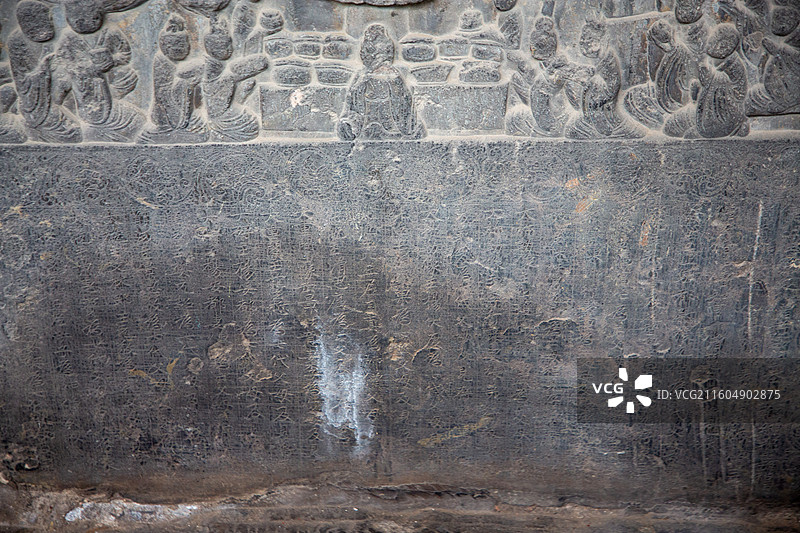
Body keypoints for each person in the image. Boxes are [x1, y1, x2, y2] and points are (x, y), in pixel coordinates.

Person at [8, 0, 81, 143]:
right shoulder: (17, 42)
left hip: (57, 94)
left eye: (48, 19)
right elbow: (23, 79)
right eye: (40, 21)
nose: (48, 24)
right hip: (37, 102)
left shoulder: (55, 39)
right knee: (72, 133)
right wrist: (44, 67)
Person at [337, 24, 425, 140]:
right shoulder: (362, 75)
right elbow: (351, 102)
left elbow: (405, 102)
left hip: (393, 128)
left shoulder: (394, 76)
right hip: (365, 126)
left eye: (387, 53)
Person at [140, 15, 208, 144]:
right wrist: (186, 84)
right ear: (164, 46)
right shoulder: (161, 62)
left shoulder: (176, 65)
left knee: (200, 123)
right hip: (167, 115)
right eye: (176, 45)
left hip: (182, 111)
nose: (183, 49)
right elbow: (163, 94)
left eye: (185, 45)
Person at [202, 15, 269, 142]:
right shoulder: (210, 66)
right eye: (221, 48)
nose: (227, 51)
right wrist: (234, 77)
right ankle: (219, 132)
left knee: (251, 123)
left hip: (225, 110)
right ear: (209, 48)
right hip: (219, 116)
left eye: (229, 46)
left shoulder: (224, 65)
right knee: (250, 124)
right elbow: (215, 101)